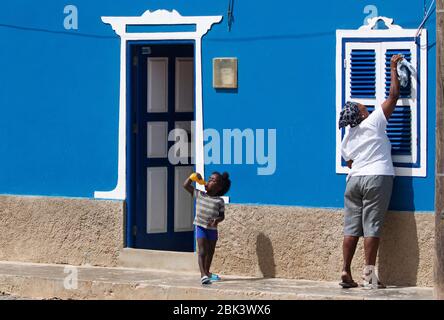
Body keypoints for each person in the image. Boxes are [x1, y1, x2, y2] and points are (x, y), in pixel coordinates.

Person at [338, 54, 404, 289]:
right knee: (372, 226)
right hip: (377, 177)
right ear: (361, 114)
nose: (365, 106)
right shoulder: (373, 121)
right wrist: (393, 67)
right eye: (362, 106)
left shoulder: (348, 139)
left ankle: (345, 270)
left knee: (351, 228)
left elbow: (350, 164)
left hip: (353, 182)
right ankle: (369, 277)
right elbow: (394, 96)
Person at [183, 171, 231, 285]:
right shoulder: (200, 194)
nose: (209, 181)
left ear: (218, 187)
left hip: (212, 230)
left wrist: (217, 220)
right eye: (209, 179)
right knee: (202, 251)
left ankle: (207, 272)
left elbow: (222, 215)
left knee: (210, 251)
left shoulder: (219, 201)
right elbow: (185, 186)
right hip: (201, 227)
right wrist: (192, 177)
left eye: (212, 180)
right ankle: (203, 274)